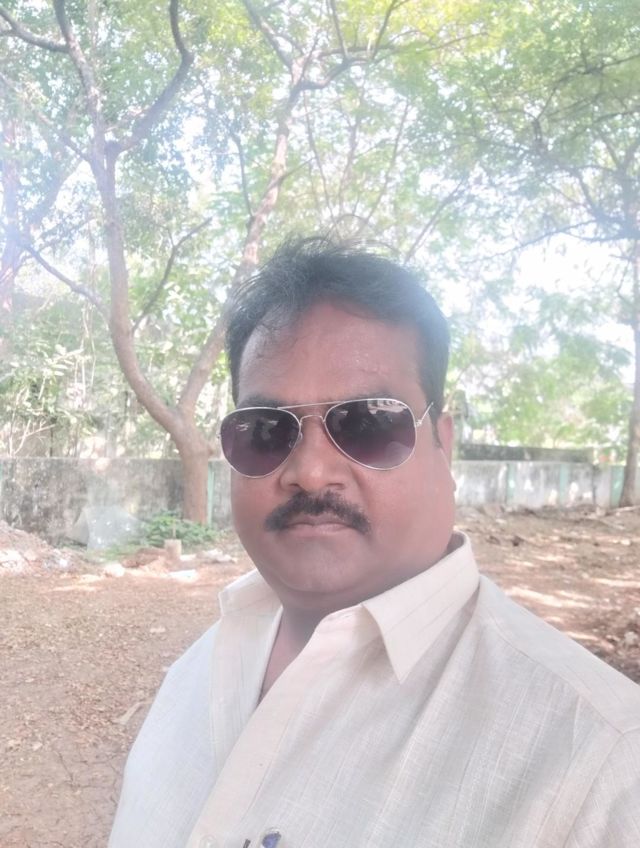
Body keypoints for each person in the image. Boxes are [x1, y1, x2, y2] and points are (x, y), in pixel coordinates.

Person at [109, 238, 640, 848]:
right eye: (266, 430)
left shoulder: (602, 765)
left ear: (443, 445)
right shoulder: (197, 669)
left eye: (367, 423)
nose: (310, 472)